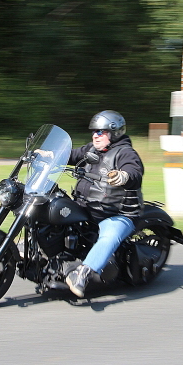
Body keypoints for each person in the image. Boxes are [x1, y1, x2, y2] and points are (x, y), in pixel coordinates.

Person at [64, 110, 144, 297]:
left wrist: (124, 176)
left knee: (109, 236)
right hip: (87, 207)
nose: (95, 135)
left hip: (117, 213)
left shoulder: (125, 153)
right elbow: (71, 155)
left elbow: (134, 170)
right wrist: (49, 154)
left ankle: (82, 274)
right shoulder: (90, 150)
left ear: (114, 133)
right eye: (94, 131)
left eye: (101, 132)